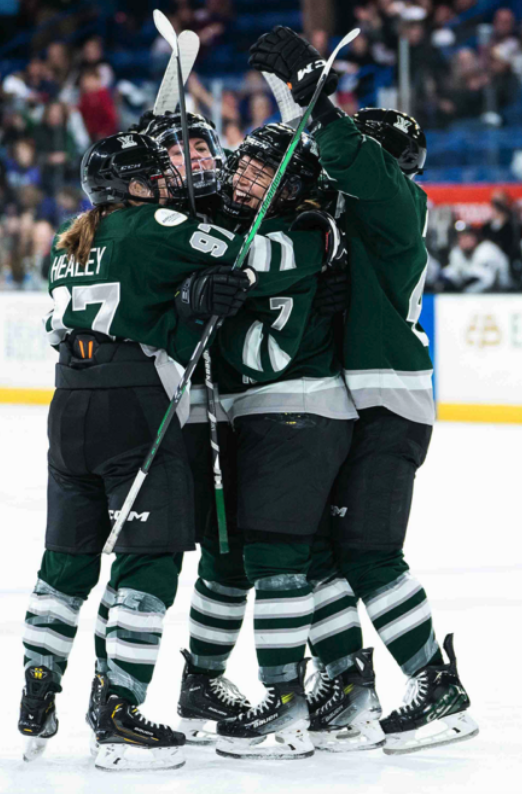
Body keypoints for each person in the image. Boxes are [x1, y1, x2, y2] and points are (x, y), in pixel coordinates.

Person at [18, 130, 327, 770]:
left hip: (68, 405)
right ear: (133, 186)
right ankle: (118, 717)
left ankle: (38, 692)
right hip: (131, 405)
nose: (167, 183)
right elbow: (241, 252)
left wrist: (184, 301)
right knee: (148, 559)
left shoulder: (69, 238)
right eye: (155, 175)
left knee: (66, 559)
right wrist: (311, 239)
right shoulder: (152, 222)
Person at [250, 25, 479, 755]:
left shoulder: (394, 200)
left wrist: (316, 104)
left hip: (388, 401)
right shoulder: (358, 211)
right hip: (356, 400)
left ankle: (435, 686)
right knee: (323, 548)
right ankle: (346, 682)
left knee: (371, 554)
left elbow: (351, 157)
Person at [175, 124, 358, 760]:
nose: (245, 178)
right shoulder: (240, 220)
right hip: (247, 417)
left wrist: (191, 256)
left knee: (284, 557)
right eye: (244, 166)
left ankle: (291, 699)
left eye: (265, 172)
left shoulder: (307, 231)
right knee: (229, 556)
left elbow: (252, 263)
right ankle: (207, 681)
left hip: (294, 412)